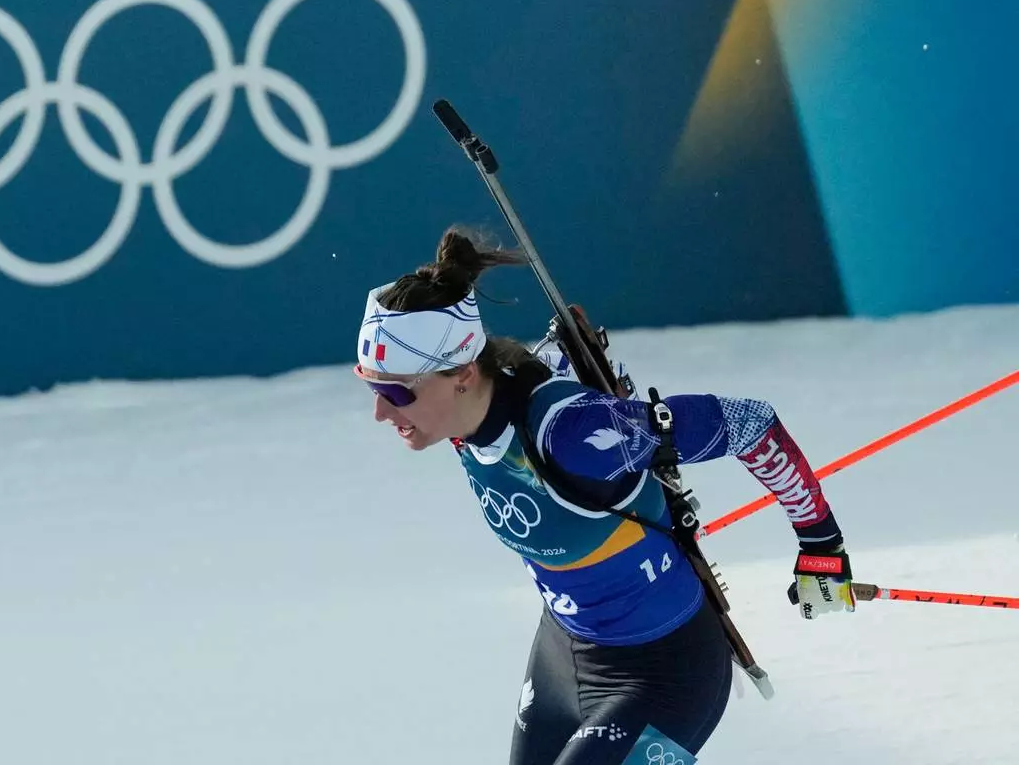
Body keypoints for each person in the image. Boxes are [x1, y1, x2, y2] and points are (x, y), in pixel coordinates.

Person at [352, 227, 855, 764]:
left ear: (462, 374)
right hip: (564, 656)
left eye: (395, 392)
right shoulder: (458, 422)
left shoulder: (573, 437)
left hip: (662, 672)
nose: (381, 412)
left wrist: (820, 543)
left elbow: (749, 423)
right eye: (371, 385)